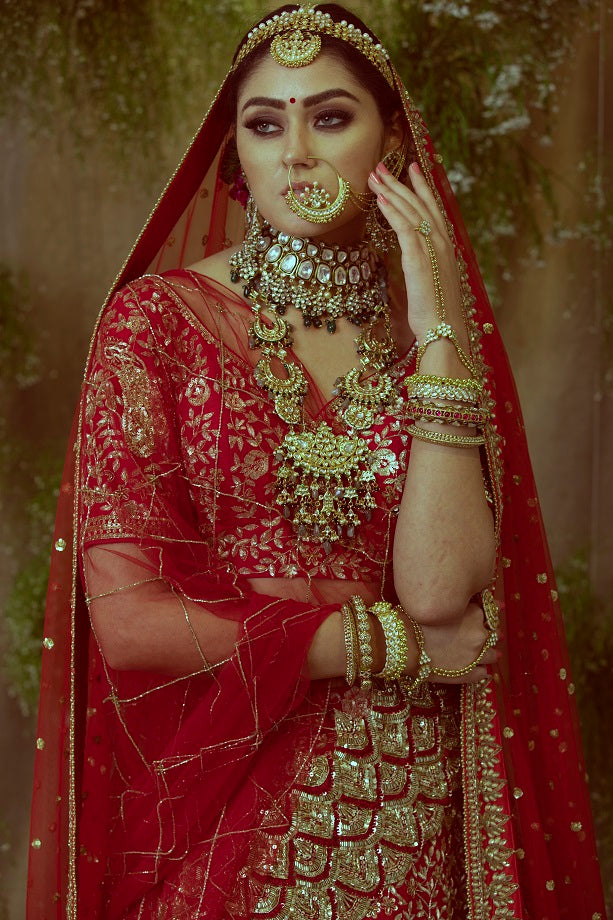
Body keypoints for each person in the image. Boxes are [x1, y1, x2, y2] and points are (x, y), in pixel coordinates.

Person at [27, 4, 606, 918]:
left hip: (412, 824)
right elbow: (130, 622)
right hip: (227, 812)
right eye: (265, 123)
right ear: (235, 154)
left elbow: (438, 587)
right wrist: (380, 643)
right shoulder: (156, 327)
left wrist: (439, 333)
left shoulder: (427, 336)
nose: (295, 151)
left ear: (393, 147)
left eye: (330, 117)